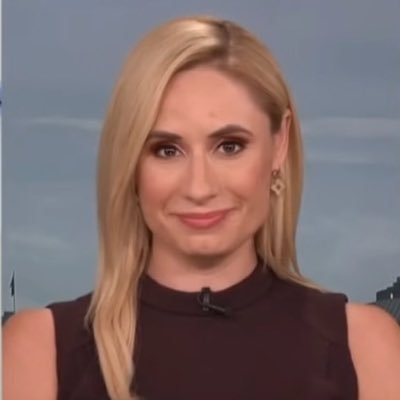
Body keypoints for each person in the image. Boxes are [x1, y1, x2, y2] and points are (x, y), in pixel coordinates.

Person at [3, 15, 400, 400]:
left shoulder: (364, 348)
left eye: (230, 146)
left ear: (279, 144)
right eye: (167, 150)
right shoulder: (41, 352)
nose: (199, 187)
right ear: (129, 162)